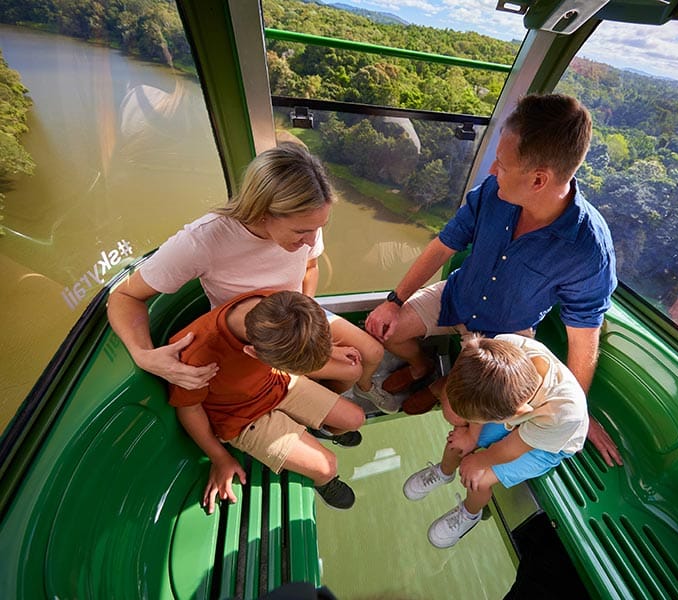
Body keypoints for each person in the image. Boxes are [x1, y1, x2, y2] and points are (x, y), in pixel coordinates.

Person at [365, 93, 621, 466]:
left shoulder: (587, 249)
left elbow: (584, 336)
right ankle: (422, 367)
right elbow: (442, 246)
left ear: (538, 179)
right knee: (384, 330)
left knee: (456, 414)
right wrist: (395, 299)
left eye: (501, 164)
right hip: (456, 297)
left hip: (505, 337)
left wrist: (575, 410)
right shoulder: (493, 194)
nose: (491, 172)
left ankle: (442, 386)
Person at [108, 143, 401, 418]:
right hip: (255, 335)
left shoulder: (307, 223)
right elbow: (125, 297)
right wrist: (143, 355)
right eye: (301, 232)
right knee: (345, 368)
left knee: (372, 352)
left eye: (319, 228)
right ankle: (315, 408)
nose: (311, 240)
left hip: (296, 314)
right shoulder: (204, 240)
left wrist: (308, 320)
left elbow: (310, 267)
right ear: (263, 212)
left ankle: (349, 393)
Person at [169, 289, 365, 511]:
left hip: (277, 382)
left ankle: (318, 429)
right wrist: (220, 457)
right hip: (241, 416)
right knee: (327, 466)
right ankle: (324, 481)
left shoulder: (275, 304)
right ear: (252, 353)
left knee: (355, 418)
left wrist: (326, 350)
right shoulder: (195, 357)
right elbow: (189, 409)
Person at [402, 334, 587, 548]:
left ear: (516, 414)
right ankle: (443, 472)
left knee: (479, 479)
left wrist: (479, 461)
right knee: (460, 440)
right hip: (522, 416)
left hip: (549, 443)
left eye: (479, 420)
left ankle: (469, 513)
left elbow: (512, 448)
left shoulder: (561, 411)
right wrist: (470, 434)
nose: (473, 423)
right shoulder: (504, 347)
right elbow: (470, 352)